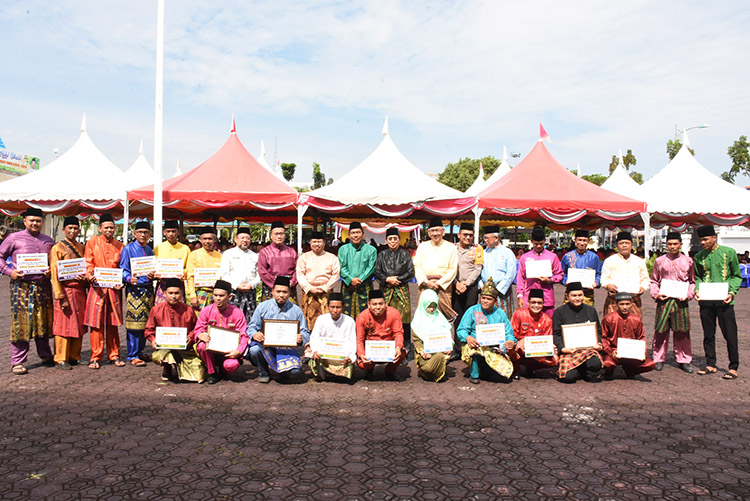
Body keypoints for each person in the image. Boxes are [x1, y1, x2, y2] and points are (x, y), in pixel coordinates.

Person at [0, 208, 55, 374]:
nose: (35, 223)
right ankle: (17, 361)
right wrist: (10, 272)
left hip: (43, 286)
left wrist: (51, 271)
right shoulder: (14, 238)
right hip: (21, 286)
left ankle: (45, 355)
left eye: (38, 221)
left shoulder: (48, 240)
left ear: (42, 222)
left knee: (44, 321)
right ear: (25, 221)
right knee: (21, 322)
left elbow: (54, 262)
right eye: (31, 220)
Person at [694, 225, 742, 379]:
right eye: (701, 240)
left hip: (724, 301)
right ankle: (710, 364)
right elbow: (698, 277)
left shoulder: (729, 252)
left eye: (705, 239)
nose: (703, 243)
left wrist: (732, 292)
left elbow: (736, 275)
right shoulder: (699, 257)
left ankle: (733, 366)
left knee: (730, 334)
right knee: (708, 334)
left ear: (714, 238)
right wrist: (697, 290)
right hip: (706, 301)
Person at [246, 276, 310, 383]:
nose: (281, 295)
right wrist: (255, 334)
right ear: (272, 292)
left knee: (295, 372)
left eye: (284, 292)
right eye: (278, 291)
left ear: (289, 293)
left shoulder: (296, 310)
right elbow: (251, 327)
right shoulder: (262, 307)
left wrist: (301, 337)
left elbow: (305, 331)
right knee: (254, 351)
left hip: (286, 348)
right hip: (266, 346)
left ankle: (283, 372)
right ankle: (264, 372)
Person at [649, 231, 695, 373]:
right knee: (661, 330)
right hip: (664, 300)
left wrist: (688, 295)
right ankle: (658, 358)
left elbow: (692, 281)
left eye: (675, 244)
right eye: (670, 244)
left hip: (681, 301)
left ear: (680, 244)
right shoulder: (660, 261)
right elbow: (654, 281)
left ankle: (684, 359)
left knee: (682, 331)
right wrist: (656, 294)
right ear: (666, 245)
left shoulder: (688, 261)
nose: (673, 246)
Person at [84, 213, 125, 369]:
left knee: (112, 323)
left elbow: (122, 267)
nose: (109, 230)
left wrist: (120, 281)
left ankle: (114, 355)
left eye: (111, 227)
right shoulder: (92, 242)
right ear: (100, 228)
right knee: (96, 324)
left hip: (114, 290)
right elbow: (88, 262)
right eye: (106, 227)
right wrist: (90, 275)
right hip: (97, 289)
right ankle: (96, 356)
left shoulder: (120, 245)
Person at [456, 278, 515, 384]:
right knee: (475, 352)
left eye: (489, 299)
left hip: (495, 348)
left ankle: (484, 369)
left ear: (495, 301)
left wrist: (510, 341)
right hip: (476, 346)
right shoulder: (472, 311)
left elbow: (509, 332)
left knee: (502, 376)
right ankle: (475, 373)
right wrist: (468, 337)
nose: (485, 301)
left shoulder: (500, 314)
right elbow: (461, 330)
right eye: (483, 298)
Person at [144, 278, 204, 383]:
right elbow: (149, 329)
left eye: (176, 293)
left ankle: (179, 367)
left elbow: (196, 328)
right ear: (165, 293)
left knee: (199, 375)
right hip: (164, 349)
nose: (173, 296)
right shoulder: (156, 309)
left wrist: (190, 337)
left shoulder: (188, 309)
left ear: (181, 294)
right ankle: (167, 368)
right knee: (164, 356)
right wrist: (153, 340)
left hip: (185, 349)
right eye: (170, 293)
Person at [49, 216, 88, 370]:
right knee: (63, 325)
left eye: (75, 228)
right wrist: (60, 296)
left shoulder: (82, 247)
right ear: (63, 230)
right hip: (65, 290)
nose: (73, 231)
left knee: (78, 324)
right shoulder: (57, 248)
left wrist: (84, 277)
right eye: (69, 228)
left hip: (79, 291)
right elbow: (54, 272)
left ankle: (74, 356)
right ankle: (60, 358)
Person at [193, 280, 248, 384]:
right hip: (210, 351)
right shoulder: (206, 310)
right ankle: (212, 372)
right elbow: (198, 328)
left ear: (230, 297)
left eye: (221, 295)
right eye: (215, 295)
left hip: (228, 352)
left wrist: (239, 351)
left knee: (232, 365)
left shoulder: (237, 313)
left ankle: (223, 371)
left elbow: (244, 335)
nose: (218, 299)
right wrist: (200, 334)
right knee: (201, 346)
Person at [374, 227, 415, 355]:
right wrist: (387, 279)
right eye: (390, 239)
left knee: (405, 317)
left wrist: (398, 279)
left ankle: (405, 346)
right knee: (385, 317)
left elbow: (411, 272)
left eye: (395, 239)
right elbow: (377, 271)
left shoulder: (405, 254)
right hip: (386, 289)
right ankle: (387, 345)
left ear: (399, 240)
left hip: (401, 288)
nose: (392, 241)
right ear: (386, 240)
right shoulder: (381, 255)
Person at [119, 220, 155, 366]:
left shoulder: (149, 250)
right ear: (135, 234)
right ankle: (132, 355)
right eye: (140, 232)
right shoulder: (128, 249)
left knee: (145, 323)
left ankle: (139, 351)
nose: (143, 235)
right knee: (134, 323)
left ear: (150, 234)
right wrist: (129, 278)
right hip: (134, 290)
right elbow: (123, 269)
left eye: (146, 232)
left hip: (147, 290)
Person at [552, 282, 603, 383]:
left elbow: (598, 330)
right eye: (574, 296)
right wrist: (562, 348)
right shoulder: (559, 312)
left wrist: (599, 344)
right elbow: (556, 333)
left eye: (580, 295)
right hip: (569, 351)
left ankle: (585, 370)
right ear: (567, 296)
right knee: (568, 378)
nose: (577, 298)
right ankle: (578, 370)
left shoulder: (591, 310)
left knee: (595, 364)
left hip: (588, 349)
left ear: (583, 295)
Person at [600, 292, 655, 379]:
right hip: (614, 351)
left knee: (650, 364)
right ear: (616, 305)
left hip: (631, 352)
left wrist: (642, 353)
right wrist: (610, 352)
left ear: (631, 304)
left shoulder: (636, 319)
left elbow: (641, 337)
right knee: (608, 364)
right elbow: (603, 338)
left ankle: (630, 370)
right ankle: (609, 372)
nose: (625, 307)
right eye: (621, 304)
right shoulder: (608, 318)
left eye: (627, 304)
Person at [413, 217, 458, 322]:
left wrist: (439, 283)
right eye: (432, 231)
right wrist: (425, 282)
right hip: (425, 286)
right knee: (425, 317)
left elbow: (453, 268)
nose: (435, 233)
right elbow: (417, 265)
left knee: (442, 319)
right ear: (429, 233)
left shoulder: (451, 247)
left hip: (443, 287)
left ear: (443, 232)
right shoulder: (422, 246)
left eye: (437, 230)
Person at [355, 289, 406, 380]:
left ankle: (390, 371)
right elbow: (359, 339)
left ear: (385, 303)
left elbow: (398, 333)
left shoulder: (394, 314)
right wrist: (361, 354)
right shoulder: (362, 317)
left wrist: (398, 347)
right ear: (368, 305)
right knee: (362, 364)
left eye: (381, 304)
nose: (378, 307)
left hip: (388, 348)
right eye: (374, 304)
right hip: (371, 349)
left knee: (401, 353)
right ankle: (369, 369)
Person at [305, 292, 356, 381]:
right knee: (312, 353)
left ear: (343, 307)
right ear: (328, 306)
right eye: (332, 307)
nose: (335, 310)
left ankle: (331, 373)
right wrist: (316, 351)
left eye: (338, 307)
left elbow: (352, 341)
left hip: (341, 355)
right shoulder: (321, 319)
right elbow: (315, 338)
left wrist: (350, 356)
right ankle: (324, 372)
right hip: (324, 354)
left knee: (348, 366)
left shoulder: (349, 321)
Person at [296, 230, 340, 331]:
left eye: (319, 241)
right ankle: (307, 339)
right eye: (314, 241)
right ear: (310, 242)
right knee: (307, 319)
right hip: (308, 291)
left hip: (325, 291)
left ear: (324, 242)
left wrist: (325, 288)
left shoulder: (332, 258)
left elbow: (336, 275)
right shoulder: (304, 257)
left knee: (327, 318)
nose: (317, 244)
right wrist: (309, 288)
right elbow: (300, 274)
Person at [517, 226, 563, 318]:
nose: (538, 246)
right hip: (529, 297)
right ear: (531, 241)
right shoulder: (525, 257)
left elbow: (560, 274)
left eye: (541, 244)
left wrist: (550, 280)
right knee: (529, 323)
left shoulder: (552, 256)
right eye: (536, 244)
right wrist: (520, 296)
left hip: (547, 298)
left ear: (545, 241)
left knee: (548, 324)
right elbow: (521, 278)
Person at [510, 289, 557, 378]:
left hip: (536, 353)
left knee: (555, 357)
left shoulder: (547, 320)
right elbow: (511, 333)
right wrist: (521, 342)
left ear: (543, 304)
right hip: (519, 351)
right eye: (533, 302)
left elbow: (547, 340)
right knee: (510, 347)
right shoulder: (519, 313)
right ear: (528, 302)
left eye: (539, 303)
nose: (536, 305)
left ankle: (528, 369)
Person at [452, 222, 483, 358]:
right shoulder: (452, 249)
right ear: (459, 235)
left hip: (471, 288)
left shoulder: (477, 249)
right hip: (455, 286)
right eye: (465, 234)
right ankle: (458, 348)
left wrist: (466, 284)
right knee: (457, 316)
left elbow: (478, 268)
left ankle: (469, 345)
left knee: (470, 316)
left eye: (471, 235)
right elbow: (449, 268)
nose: (468, 237)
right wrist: (456, 283)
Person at [219, 227, 262, 324]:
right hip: (234, 292)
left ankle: (248, 337)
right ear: (236, 239)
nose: (245, 240)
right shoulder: (228, 254)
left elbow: (258, 274)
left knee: (250, 317)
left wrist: (252, 285)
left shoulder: (255, 256)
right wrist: (236, 285)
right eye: (242, 238)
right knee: (232, 318)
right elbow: (224, 274)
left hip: (250, 291)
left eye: (247, 238)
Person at [600, 231, 649, 317]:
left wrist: (642, 287)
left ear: (632, 245)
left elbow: (645, 279)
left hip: (633, 301)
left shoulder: (639, 261)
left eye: (627, 243)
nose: (624, 245)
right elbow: (604, 279)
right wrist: (608, 285)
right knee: (613, 327)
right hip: (614, 301)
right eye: (621, 243)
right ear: (617, 245)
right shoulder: (609, 261)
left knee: (633, 327)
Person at [411, 289, 453, 382]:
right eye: (428, 306)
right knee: (429, 368)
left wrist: (449, 347)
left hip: (439, 351)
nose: (431, 309)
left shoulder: (440, 318)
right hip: (426, 353)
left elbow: (447, 336)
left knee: (439, 357)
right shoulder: (418, 321)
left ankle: (433, 372)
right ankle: (426, 371)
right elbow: (416, 341)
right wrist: (422, 352)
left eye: (434, 306)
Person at [338, 222, 377, 318]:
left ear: (363, 234)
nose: (356, 235)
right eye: (353, 233)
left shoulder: (371, 250)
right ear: (349, 235)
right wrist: (351, 279)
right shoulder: (343, 249)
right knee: (346, 314)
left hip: (365, 285)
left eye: (358, 232)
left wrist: (359, 280)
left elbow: (371, 268)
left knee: (367, 314)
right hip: (348, 285)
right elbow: (341, 267)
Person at [258, 221, 298, 301]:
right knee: (269, 312)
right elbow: (262, 271)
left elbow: (298, 270)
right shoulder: (264, 252)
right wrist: (276, 285)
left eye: (281, 234)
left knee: (290, 312)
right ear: (271, 236)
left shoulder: (292, 252)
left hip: (289, 286)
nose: (279, 236)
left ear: (284, 235)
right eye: (276, 234)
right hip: (271, 287)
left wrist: (292, 282)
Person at [186, 226, 222, 314]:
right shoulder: (194, 255)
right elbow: (190, 276)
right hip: (199, 293)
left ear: (214, 240)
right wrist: (193, 296)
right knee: (198, 322)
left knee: (214, 322)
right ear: (201, 240)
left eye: (210, 239)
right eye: (205, 239)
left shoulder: (220, 256)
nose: (207, 241)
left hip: (215, 295)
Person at [480, 225, 515, 316]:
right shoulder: (483, 253)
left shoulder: (507, 252)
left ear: (496, 238)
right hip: (485, 290)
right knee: (486, 317)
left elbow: (510, 274)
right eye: (485, 238)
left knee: (503, 316)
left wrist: (498, 289)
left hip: (502, 291)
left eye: (487, 238)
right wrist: (481, 285)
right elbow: (478, 270)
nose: (485, 240)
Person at [153, 220, 190, 305]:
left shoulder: (185, 249)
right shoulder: (158, 248)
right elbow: (154, 267)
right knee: (161, 312)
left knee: (178, 313)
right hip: (163, 286)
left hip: (178, 285)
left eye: (173, 231)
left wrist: (183, 274)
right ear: (164, 232)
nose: (171, 234)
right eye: (168, 231)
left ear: (178, 232)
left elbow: (188, 268)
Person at [561, 229, 601, 306]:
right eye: (579, 240)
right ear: (575, 240)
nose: (582, 243)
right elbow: (562, 273)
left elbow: (598, 274)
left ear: (588, 241)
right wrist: (565, 281)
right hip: (571, 293)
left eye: (584, 240)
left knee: (587, 316)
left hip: (587, 294)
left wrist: (596, 283)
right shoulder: (567, 256)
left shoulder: (594, 257)